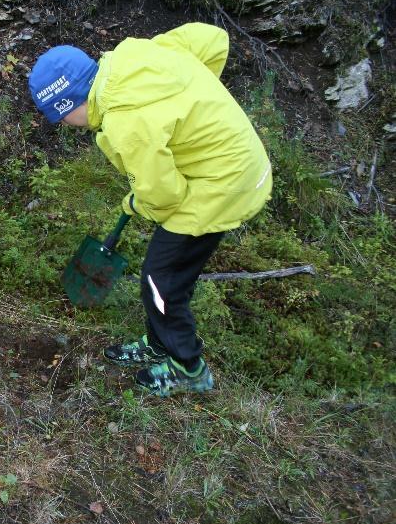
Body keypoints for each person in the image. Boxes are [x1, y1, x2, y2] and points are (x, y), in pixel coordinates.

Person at [28, 22, 272, 397]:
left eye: (58, 116)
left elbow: (164, 196)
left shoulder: (126, 121)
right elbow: (211, 40)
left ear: (69, 101)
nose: (62, 124)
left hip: (223, 184)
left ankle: (188, 367)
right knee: (165, 271)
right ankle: (160, 342)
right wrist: (197, 109)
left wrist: (140, 200)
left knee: (161, 280)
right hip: (229, 165)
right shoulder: (137, 56)